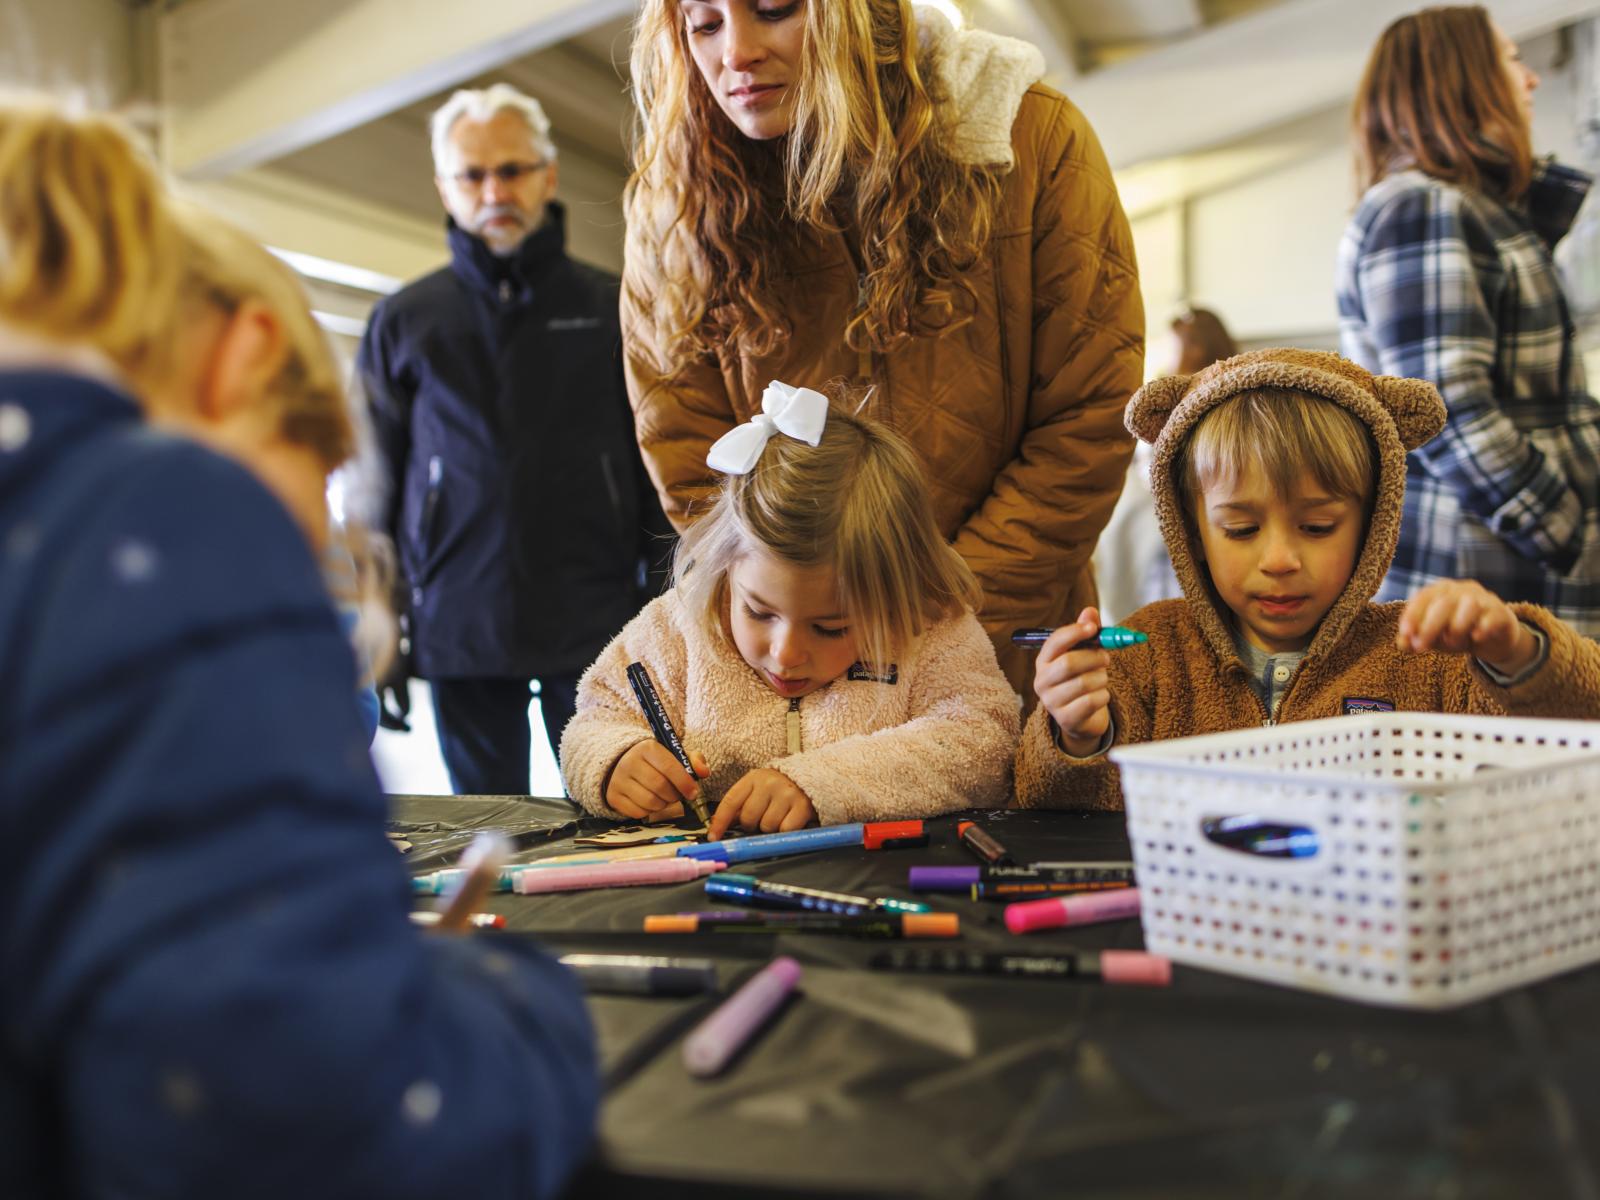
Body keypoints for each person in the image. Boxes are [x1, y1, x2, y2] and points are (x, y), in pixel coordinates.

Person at [0, 97, 596, 1197]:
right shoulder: (161, 517)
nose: (314, 536)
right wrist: (514, 1000)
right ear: (250, 356)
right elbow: (328, 1124)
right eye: (315, 471)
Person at [621, 0, 1143, 693]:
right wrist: (806, 619)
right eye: (704, 23)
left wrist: (938, 619)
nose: (735, 52)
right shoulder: (676, 204)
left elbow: (1091, 412)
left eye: (773, 9)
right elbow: (687, 451)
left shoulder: (1030, 139)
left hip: (1002, 658)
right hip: (795, 674)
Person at [1014, 349, 1600, 810]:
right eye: (1241, 529)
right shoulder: (1149, 656)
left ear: (1373, 524)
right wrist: (1076, 735)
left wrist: (1516, 652)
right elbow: (1048, 798)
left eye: (1317, 526)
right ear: (1192, 532)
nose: (1279, 559)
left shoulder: (1425, 659)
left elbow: (1576, 733)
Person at [358, 82, 669, 795]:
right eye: (473, 174)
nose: (494, 189)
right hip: (461, 623)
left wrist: (666, 605)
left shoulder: (613, 307)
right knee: (489, 833)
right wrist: (384, 629)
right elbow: (373, 487)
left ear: (548, 176)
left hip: (595, 621)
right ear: (445, 187)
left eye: (513, 169)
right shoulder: (405, 321)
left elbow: (656, 468)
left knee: (611, 818)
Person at [560, 382, 1020, 835]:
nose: (785, 654)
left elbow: (984, 743)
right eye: (759, 613)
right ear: (726, 567)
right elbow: (594, 720)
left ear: (894, 594)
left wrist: (824, 781)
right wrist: (615, 761)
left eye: (830, 627)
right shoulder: (681, 625)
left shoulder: (928, 627)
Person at [1337, 6, 1600, 636]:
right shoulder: (1425, 206)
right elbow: (1448, 411)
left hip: (1502, 571)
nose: (1531, 80)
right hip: (1486, 576)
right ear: (1461, 77)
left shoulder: (1464, 208)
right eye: (1512, 59)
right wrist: (1568, 532)